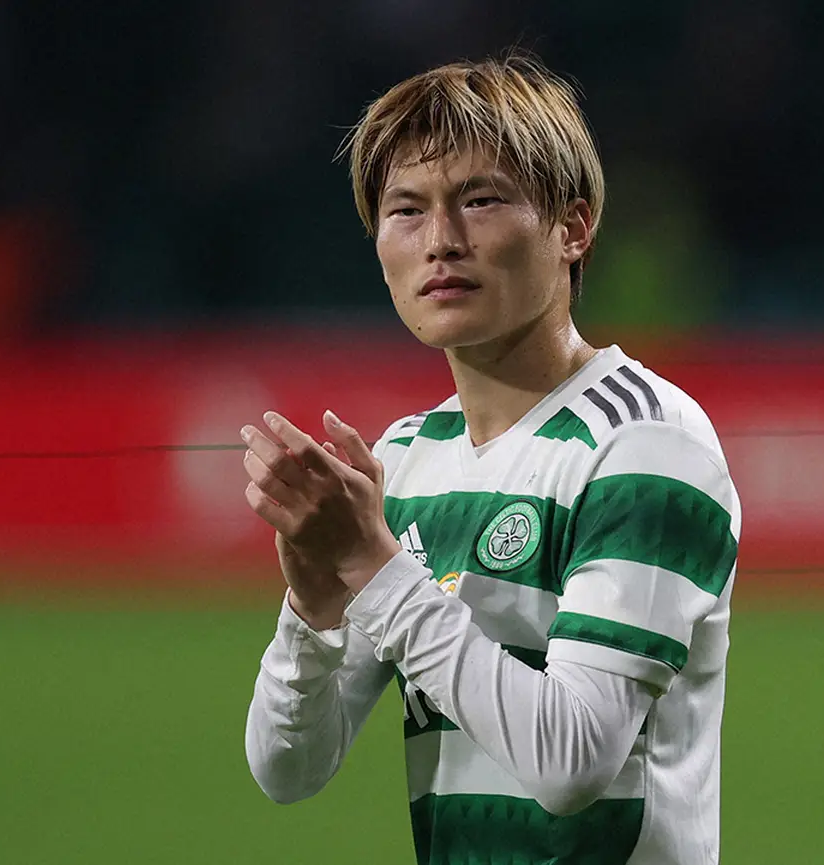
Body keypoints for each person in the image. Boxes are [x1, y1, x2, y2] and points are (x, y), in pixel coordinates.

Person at [242, 52, 741, 865]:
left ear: (573, 228)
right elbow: (287, 768)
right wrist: (313, 609)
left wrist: (373, 568)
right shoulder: (407, 459)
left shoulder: (647, 443)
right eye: (406, 210)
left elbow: (572, 761)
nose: (441, 241)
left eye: (480, 200)